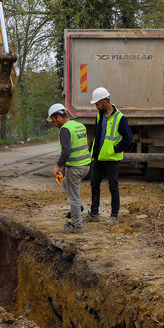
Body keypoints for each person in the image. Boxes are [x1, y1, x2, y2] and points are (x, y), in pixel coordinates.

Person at [86, 87, 132, 226]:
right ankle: (94, 213)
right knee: (94, 183)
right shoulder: (100, 115)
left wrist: (115, 149)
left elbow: (128, 139)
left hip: (111, 157)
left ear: (105, 102)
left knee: (113, 186)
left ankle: (114, 216)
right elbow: (99, 135)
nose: (96, 107)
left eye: (98, 104)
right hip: (99, 157)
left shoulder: (120, 118)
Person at [48, 103, 91, 233]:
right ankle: (79, 207)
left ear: (59, 117)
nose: (54, 124)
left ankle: (77, 226)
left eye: (53, 120)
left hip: (75, 168)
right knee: (66, 185)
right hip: (86, 166)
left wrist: (57, 167)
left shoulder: (65, 129)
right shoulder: (79, 125)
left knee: (73, 198)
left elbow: (66, 151)